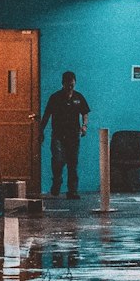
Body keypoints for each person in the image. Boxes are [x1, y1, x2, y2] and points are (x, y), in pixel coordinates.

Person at [40, 70, 90, 199]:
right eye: (68, 85)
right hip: (58, 135)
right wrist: (41, 131)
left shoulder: (78, 97)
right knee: (58, 160)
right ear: (63, 84)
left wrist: (84, 126)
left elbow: (85, 113)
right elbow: (46, 115)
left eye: (72, 85)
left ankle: (72, 190)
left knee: (73, 163)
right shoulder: (55, 97)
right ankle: (57, 181)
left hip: (73, 135)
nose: (70, 87)